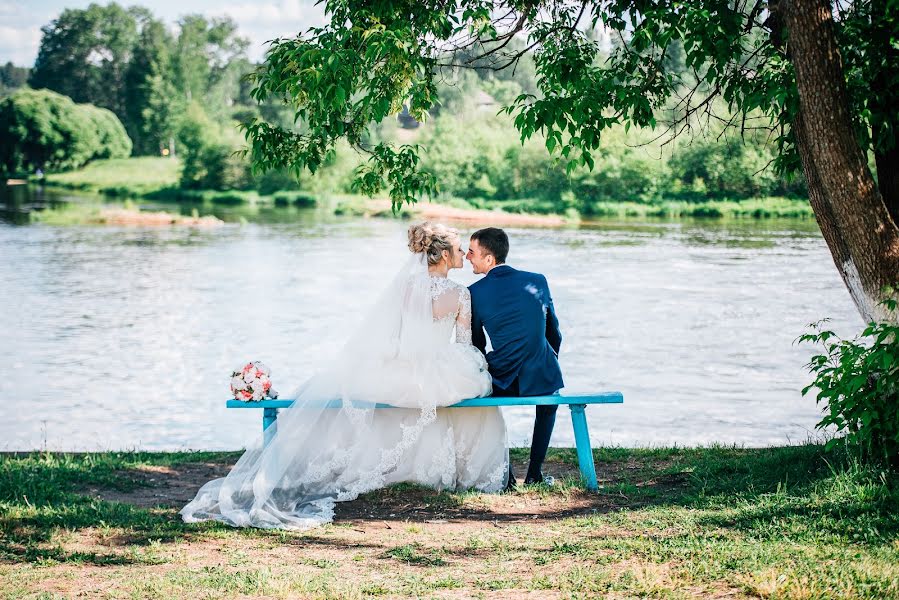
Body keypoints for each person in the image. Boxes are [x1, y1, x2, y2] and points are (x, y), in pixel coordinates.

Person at [180, 222, 508, 530]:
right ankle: (460, 469)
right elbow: (464, 345)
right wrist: (472, 365)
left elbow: (388, 334)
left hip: (400, 365)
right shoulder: (460, 294)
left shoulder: (405, 287)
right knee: (473, 394)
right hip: (437, 369)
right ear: (445, 255)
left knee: (393, 394)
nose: (463, 253)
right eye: (458, 248)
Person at [466, 227, 563, 486]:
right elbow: (554, 332)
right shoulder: (537, 280)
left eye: (472, 252)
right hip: (541, 374)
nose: (467, 257)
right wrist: (549, 362)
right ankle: (534, 474)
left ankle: (505, 476)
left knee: (483, 405)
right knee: (550, 402)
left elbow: (477, 345)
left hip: (502, 379)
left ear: (489, 259)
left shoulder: (473, 292)